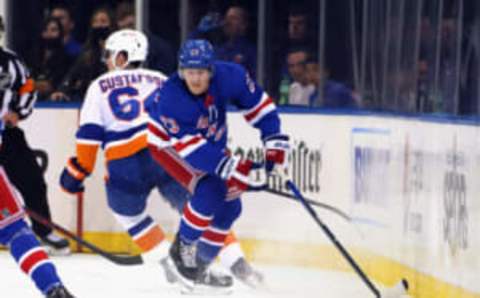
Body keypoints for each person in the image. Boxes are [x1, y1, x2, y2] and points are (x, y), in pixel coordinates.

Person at [58, 30, 264, 290]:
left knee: (127, 213)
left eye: (110, 55)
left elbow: (89, 136)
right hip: (166, 155)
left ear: (122, 57)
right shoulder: (162, 79)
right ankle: (237, 262)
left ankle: (169, 264)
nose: (107, 60)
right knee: (202, 208)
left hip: (125, 163)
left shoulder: (99, 86)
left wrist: (77, 172)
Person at [146, 39, 290, 294]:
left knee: (230, 206)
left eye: (201, 72)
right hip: (169, 145)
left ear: (211, 70)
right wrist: (237, 168)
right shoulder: (172, 98)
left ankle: (200, 266)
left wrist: (273, 141)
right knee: (210, 189)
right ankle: (182, 253)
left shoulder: (231, 76)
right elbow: (196, 154)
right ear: (181, 71)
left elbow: (261, 108)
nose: (195, 79)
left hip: (209, 141)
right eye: (190, 72)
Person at [0, 17, 75, 298]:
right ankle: (53, 288)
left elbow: (27, 90)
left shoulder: (11, 63)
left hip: (8, 134)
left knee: (31, 181)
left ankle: (43, 232)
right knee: (15, 230)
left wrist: (17, 113)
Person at [51, 6, 115, 102]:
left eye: (103, 21)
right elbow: (72, 75)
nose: (99, 25)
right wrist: (62, 90)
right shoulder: (88, 50)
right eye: (95, 22)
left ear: (112, 24)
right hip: (89, 98)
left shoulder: (119, 49)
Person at [191, 6, 257, 77]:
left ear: (243, 25)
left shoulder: (250, 50)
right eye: (226, 17)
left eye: (233, 18)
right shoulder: (217, 48)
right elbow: (190, 52)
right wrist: (199, 32)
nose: (227, 22)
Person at [115, 1, 176, 74]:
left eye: (130, 26)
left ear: (139, 21)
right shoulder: (116, 48)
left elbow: (164, 78)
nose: (127, 32)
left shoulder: (159, 49)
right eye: (123, 28)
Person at [28, 17, 73, 100]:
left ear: (60, 33)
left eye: (53, 30)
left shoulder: (66, 60)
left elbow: (53, 85)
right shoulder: (32, 57)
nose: (49, 34)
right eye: (45, 30)